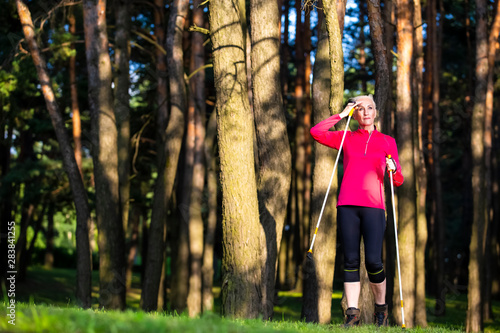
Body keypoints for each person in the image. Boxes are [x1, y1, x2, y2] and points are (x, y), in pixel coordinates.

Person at [309, 95, 404, 327]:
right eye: (360, 109)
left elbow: (398, 179)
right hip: (347, 205)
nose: (365, 113)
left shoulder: (387, 141)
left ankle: (381, 310)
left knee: (373, 261)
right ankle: (352, 314)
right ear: (355, 113)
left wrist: (393, 169)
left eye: (370, 108)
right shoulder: (346, 138)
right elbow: (316, 132)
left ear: (376, 112)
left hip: (374, 206)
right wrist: (341, 115)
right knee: (350, 260)